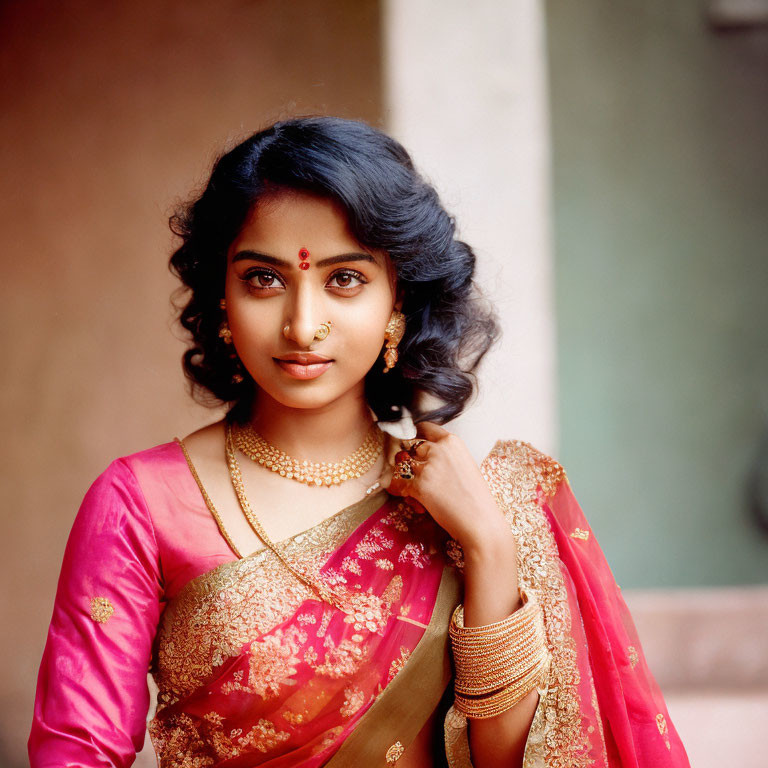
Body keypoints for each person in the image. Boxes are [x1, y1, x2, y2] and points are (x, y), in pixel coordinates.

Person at [28, 116, 690, 768]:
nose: (303, 324)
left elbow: (512, 761)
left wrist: (490, 547)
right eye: (264, 278)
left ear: (397, 301)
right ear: (222, 299)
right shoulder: (141, 504)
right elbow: (75, 753)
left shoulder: (475, 508)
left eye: (344, 279)